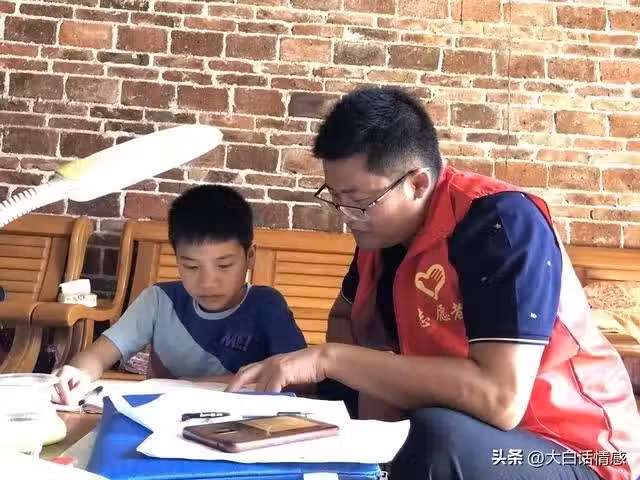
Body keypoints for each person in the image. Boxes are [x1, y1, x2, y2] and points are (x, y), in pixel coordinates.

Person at [226, 87, 640, 480]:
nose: (346, 215)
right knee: (324, 401)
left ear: (418, 183)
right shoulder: (380, 235)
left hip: (575, 452)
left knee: (437, 439)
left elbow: (501, 399)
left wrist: (331, 360)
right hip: (457, 418)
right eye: (335, 197)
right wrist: (361, 378)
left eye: (359, 202)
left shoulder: (501, 225)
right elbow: (344, 319)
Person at [53, 184, 307, 404]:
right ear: (177, 259)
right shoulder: (159, 301)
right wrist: (79, 373)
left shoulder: (267, 306)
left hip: (240, 426)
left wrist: (194, 384)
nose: (208, 282)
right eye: (191, 267)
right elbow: (97, 355)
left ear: (250, 256)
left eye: (224, 265)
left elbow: (301, 381)